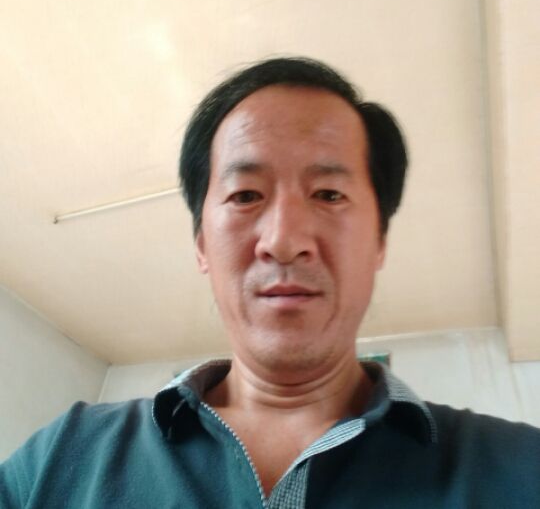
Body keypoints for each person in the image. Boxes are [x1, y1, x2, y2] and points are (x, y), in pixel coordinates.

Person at [1, 57, 539, 508]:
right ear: (201, 244)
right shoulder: (63, 457)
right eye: (245, 196)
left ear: (379, 241)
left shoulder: (520, 470)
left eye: (329, 194)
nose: (283, 241)